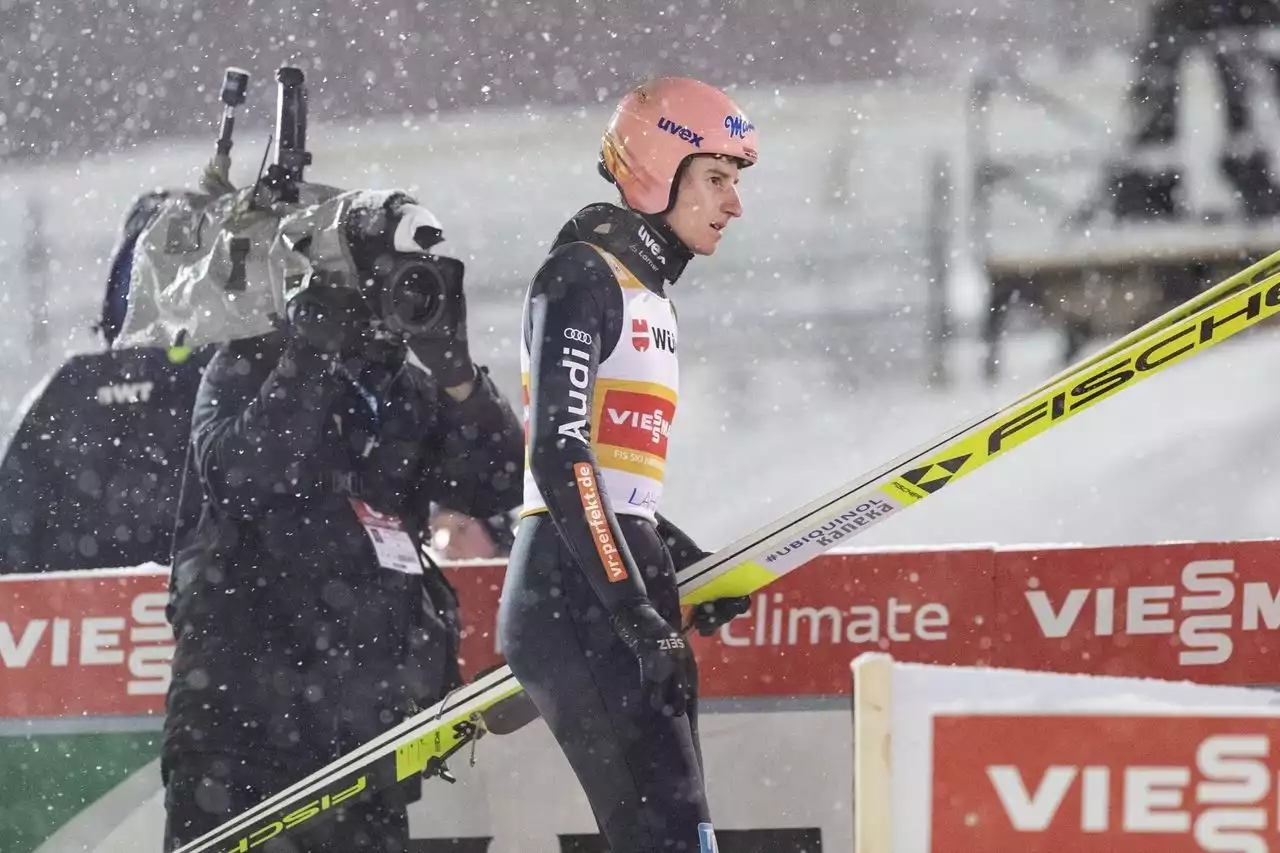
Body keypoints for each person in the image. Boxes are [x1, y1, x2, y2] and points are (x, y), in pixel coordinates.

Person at [161, 196, 524, 852]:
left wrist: (458, 375)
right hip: (242, 724)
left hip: (364, 726)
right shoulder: (248, 359)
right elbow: (244, 475)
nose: (403, 298)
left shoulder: (409, 391)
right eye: (388, 278)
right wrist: (307, 352)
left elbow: (497, 481)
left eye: (419, 279)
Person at [497, 77, 756, 853]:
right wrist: (631, 608)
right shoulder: (580, 274)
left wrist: (677, 561)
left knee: (681, 834)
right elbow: (558, 452)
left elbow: (613, 479)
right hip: (575, 590)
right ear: (656, 165)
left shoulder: (648, 295)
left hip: (612, 577)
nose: (733, 204)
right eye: (717, 179)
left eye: (735, 183)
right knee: (669, 838)